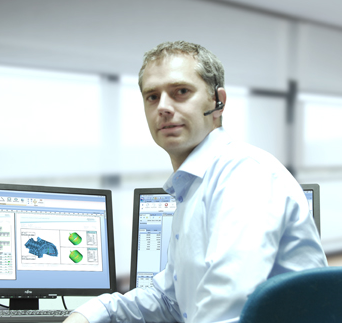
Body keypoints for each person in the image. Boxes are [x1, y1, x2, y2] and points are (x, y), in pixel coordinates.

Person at [64, 40, 327, 323]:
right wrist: (90, 314)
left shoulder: (244, 175)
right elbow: (168, 301)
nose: (163, 107)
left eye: (181, 92)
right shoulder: (192, 188)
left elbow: (227, 312)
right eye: (152, 97)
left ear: (218, 102)